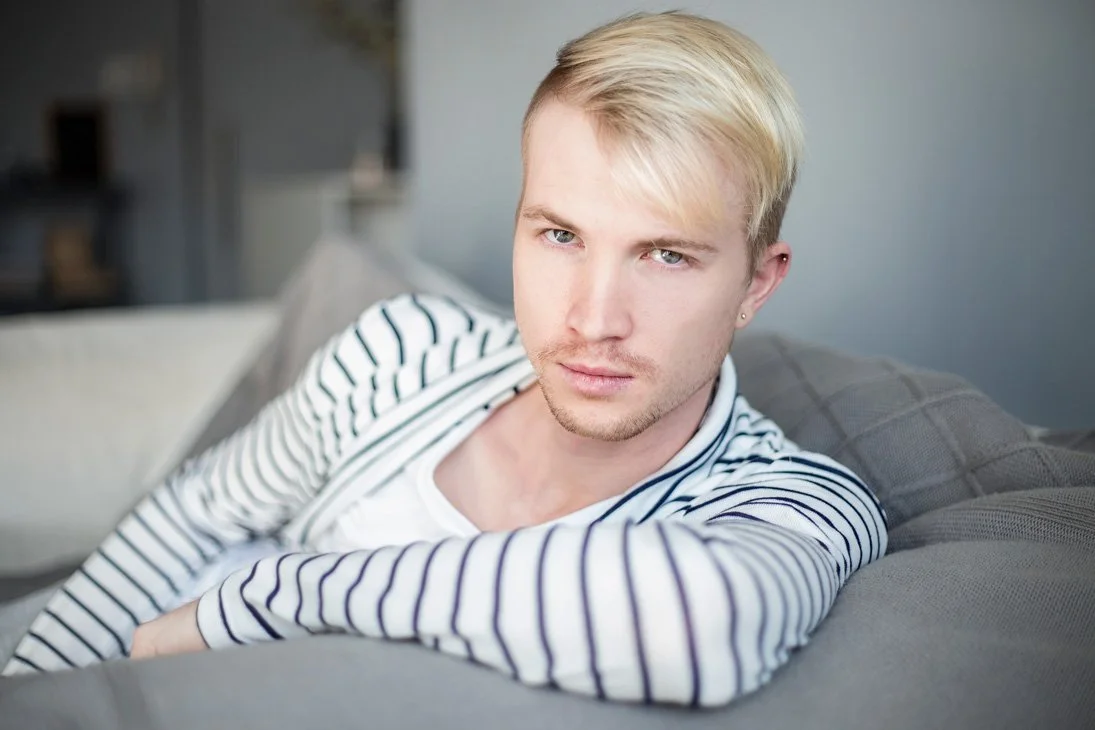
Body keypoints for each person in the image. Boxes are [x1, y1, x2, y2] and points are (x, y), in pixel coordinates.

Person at [2, 11, 887, 707]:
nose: (592, 317)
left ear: (755, 284)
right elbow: (201, 510)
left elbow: (693, 625)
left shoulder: (793, 500)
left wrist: (265, 601)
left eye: (666, 255)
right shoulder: (399, 355)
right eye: (560, 234)